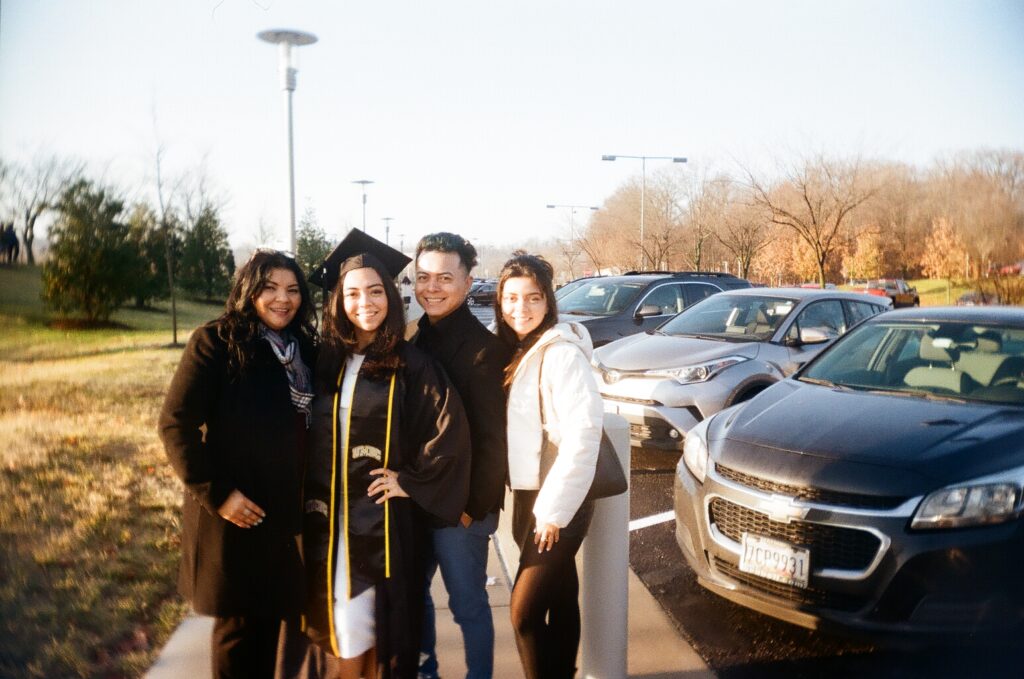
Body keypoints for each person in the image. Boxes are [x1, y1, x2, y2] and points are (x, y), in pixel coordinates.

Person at [302, 230, 471, 679]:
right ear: (338, 300)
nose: (365, 303)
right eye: (353, 293)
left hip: (380, 525)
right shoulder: (323, 360)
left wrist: (409, 480)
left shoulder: (412, 364)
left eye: (376, 291)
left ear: (391, 296)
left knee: (373, 627)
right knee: (334, 626)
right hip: (324, 522)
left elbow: (448, 432)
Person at [159, 250, 317, 678]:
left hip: (283, 518)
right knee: (238, 637)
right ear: (249, 291)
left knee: (267, 633)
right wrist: (218, 494)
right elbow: (176, 425)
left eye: (292, 290)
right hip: (237, 516)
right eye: (270, 288)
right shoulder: (216, 342)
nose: (283, 299)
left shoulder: (303, 349)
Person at [495, 252, 603, 679]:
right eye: (511, 298)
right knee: (559, 597)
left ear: (548, 302)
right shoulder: (521, 348)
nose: (520, 308)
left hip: (560, 498)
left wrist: (554, 511)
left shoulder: (562, 355)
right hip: (529, 492)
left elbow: (583, 434)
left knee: (522, 612)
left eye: (532, 298)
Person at [409, 233, 511, 679]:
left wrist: (473, 511)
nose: (432, 287)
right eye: (423, 277)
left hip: (461, 508)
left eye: (444, 278)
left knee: (467, 606)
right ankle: (425, 671)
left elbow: (494, 443)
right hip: (415, 496)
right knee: (413, 597)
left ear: (468, 283)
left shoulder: (484, 351)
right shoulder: (414, 340)